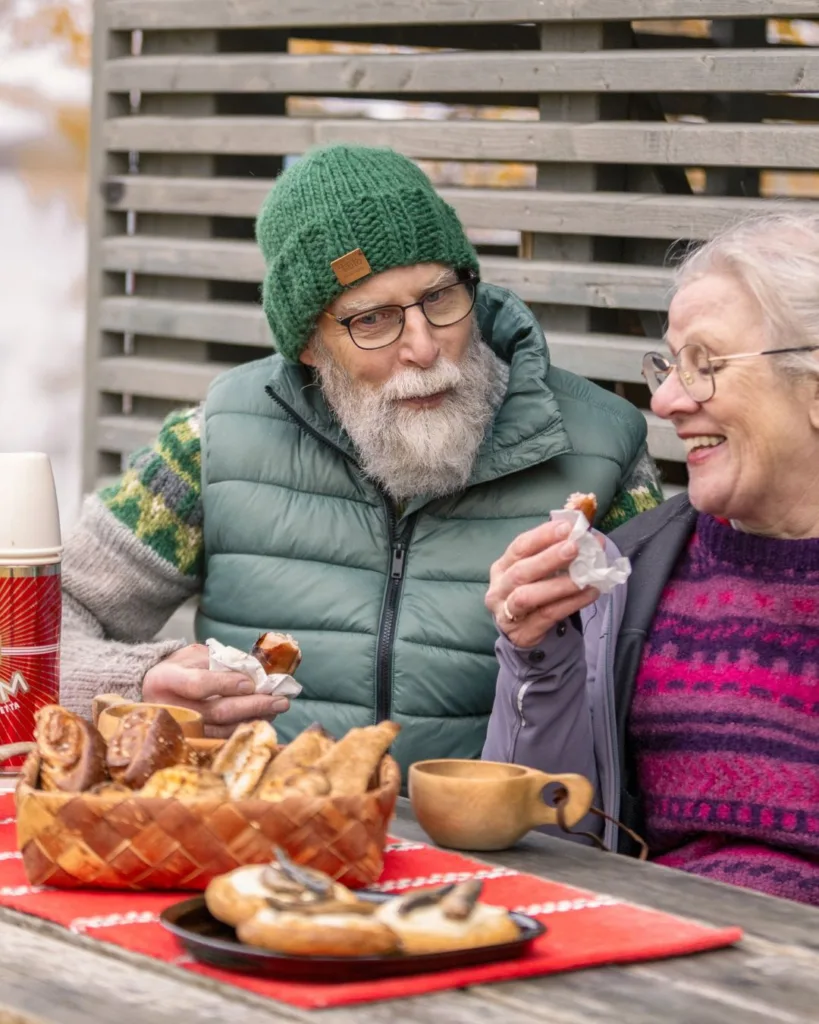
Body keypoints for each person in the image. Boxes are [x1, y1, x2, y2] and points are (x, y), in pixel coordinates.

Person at [60, 143, 661, 777]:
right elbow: (26, 633)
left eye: (439, 299)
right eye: (372, 320)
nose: (424, 348)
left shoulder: (601, 448)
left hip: (509, 848)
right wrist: (136, 683)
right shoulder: (212, 441)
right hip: (265, 842)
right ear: (311, 346)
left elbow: (663, 693)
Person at [483, 210, 819, 906]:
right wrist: (536, 659)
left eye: (704, 365)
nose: (664, 400)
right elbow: (547, 846)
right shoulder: (631, 574)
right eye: (667, 364)